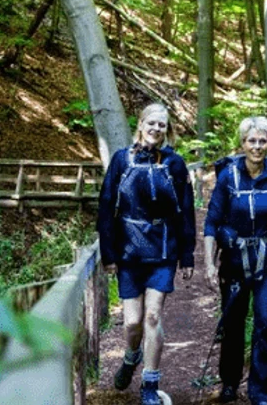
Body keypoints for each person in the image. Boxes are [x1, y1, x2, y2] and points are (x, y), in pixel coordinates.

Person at [97, 103, 195, 405]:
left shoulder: (175, 164)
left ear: (168, 130)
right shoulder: (120, 160)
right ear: (140, 124)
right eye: (151, 123)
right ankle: (131, 355)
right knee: (132, 322)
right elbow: (106, 207)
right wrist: (108, 253)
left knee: (153, 316)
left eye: (162, 125)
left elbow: (186, 211)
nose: (156, 129)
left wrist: (187, 254)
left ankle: (150, 384)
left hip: (163, 250)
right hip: (129, 252)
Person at [203, 116, 267, 405]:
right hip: (234, 263)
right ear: (242, 143)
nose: (257, 146)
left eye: (262, 141)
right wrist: (209, 263)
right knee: (232, 323)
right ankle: (230, 383)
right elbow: (211, 222)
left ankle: (260, 391)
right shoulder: (227, 177)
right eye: (251, 141)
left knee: (265, 322)